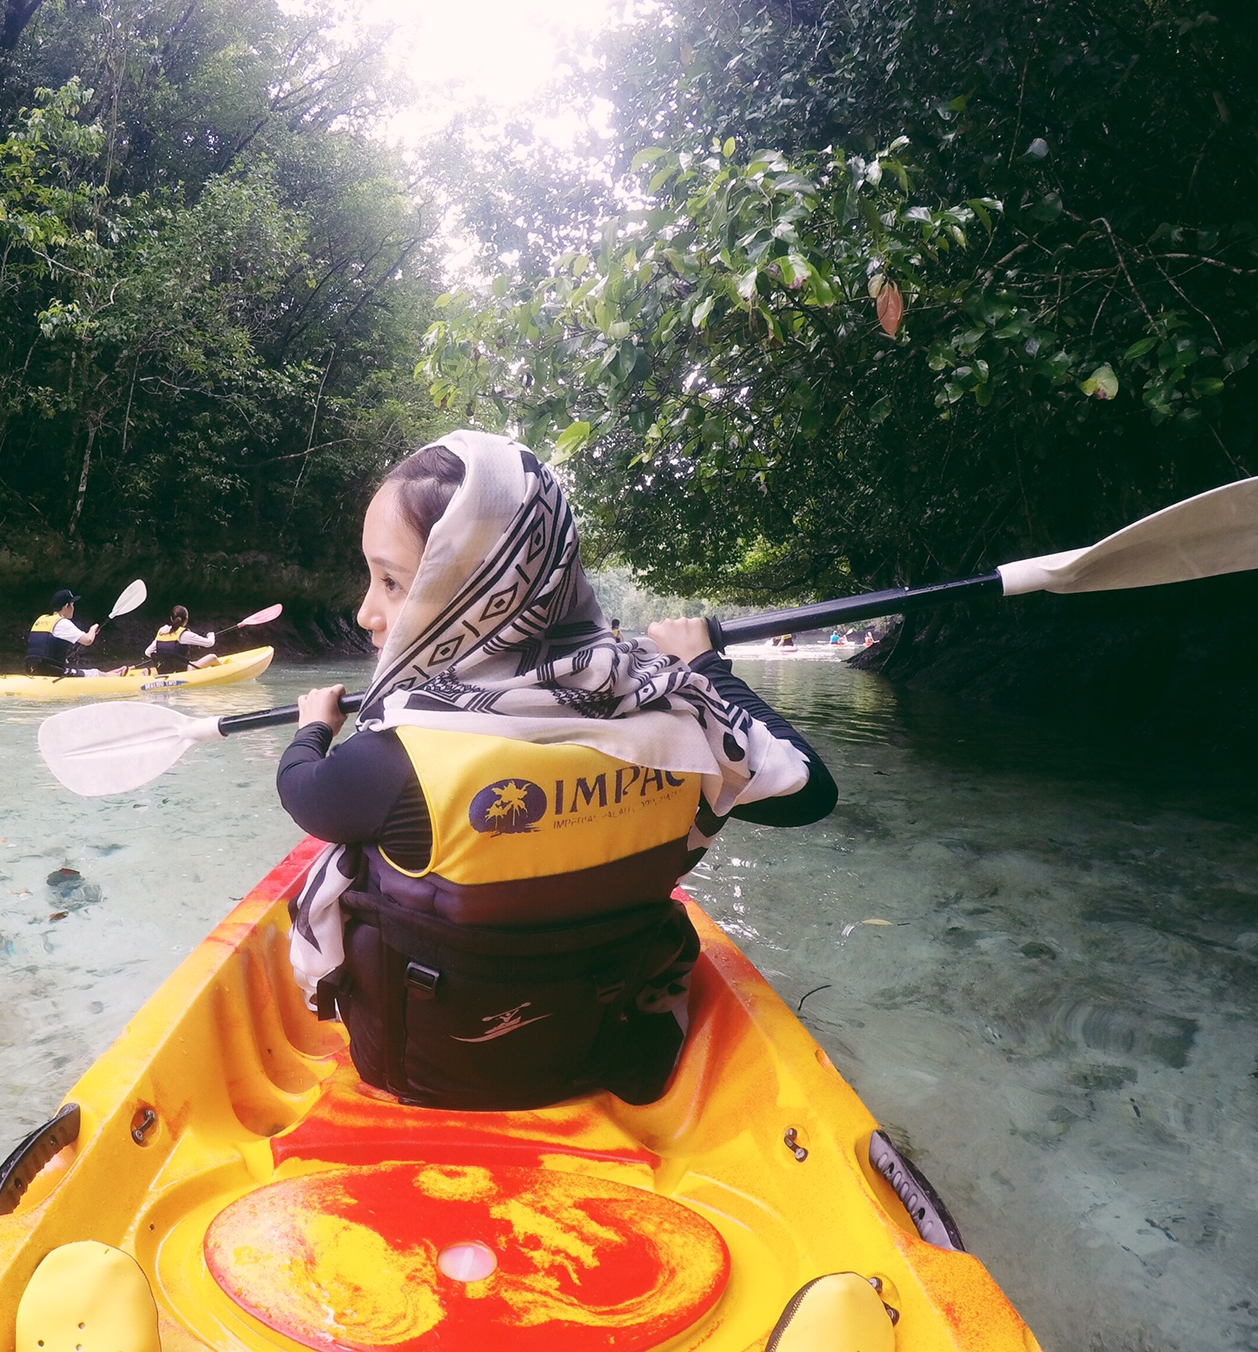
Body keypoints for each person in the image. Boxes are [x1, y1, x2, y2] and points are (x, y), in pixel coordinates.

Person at [278, 431, 836, 1112]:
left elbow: (303, 793)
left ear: (476, 591)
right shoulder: (675, 715)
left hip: (419, 1067)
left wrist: (313, 727)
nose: (366, 612)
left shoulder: (390, 758)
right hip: (598, 1044)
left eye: (393, 583)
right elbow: (807, 792)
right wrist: (705, 669)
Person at [25, 591, 101, 676]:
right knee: (95, 673)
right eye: (72, 605)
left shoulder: (40, 620)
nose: (73, 608)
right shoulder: (62, 623)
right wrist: (93, 628)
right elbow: (88, 640)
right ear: (66, 607)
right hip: (52, 672)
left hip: (32, 669)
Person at [144, 605, 220, 675]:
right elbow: (209, 643)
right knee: (213, 657)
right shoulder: (184, 634)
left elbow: (148, 652)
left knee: (190, 662)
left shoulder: (162, 632)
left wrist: (165, 656)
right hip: (183, 671)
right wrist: (211, 635)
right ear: (186, 620)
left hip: (164, 671)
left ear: (171, 618)